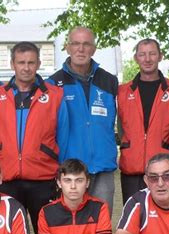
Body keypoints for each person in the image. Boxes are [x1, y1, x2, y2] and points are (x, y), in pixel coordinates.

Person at [0, 41, 69, 234]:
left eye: (31, 62)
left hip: (43, 177)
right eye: (21, 62)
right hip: (7, 177)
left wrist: (62, 173)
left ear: (39, 63)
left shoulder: (55, 95)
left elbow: (64, 136)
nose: (26, 67)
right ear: (12, 64)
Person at [48, 27, 118, 215]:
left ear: (93, 49)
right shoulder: (53, 83)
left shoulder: (109, 81)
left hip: (103, 166)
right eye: (75, 44)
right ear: (67, 48)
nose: (81, 49)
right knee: (73, 225)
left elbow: (112, 122)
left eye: (86, 44)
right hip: (71, 168)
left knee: (101, 225)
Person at [118, 38, 169, 204]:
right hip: (131, 168)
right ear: (135, 58)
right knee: (134, 219)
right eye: (142, 54)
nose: (147, 59)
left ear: (160, 56)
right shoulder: (123, 92)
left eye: (152, 54)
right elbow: (121, 126)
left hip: (163, 170)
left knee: (163, 220)